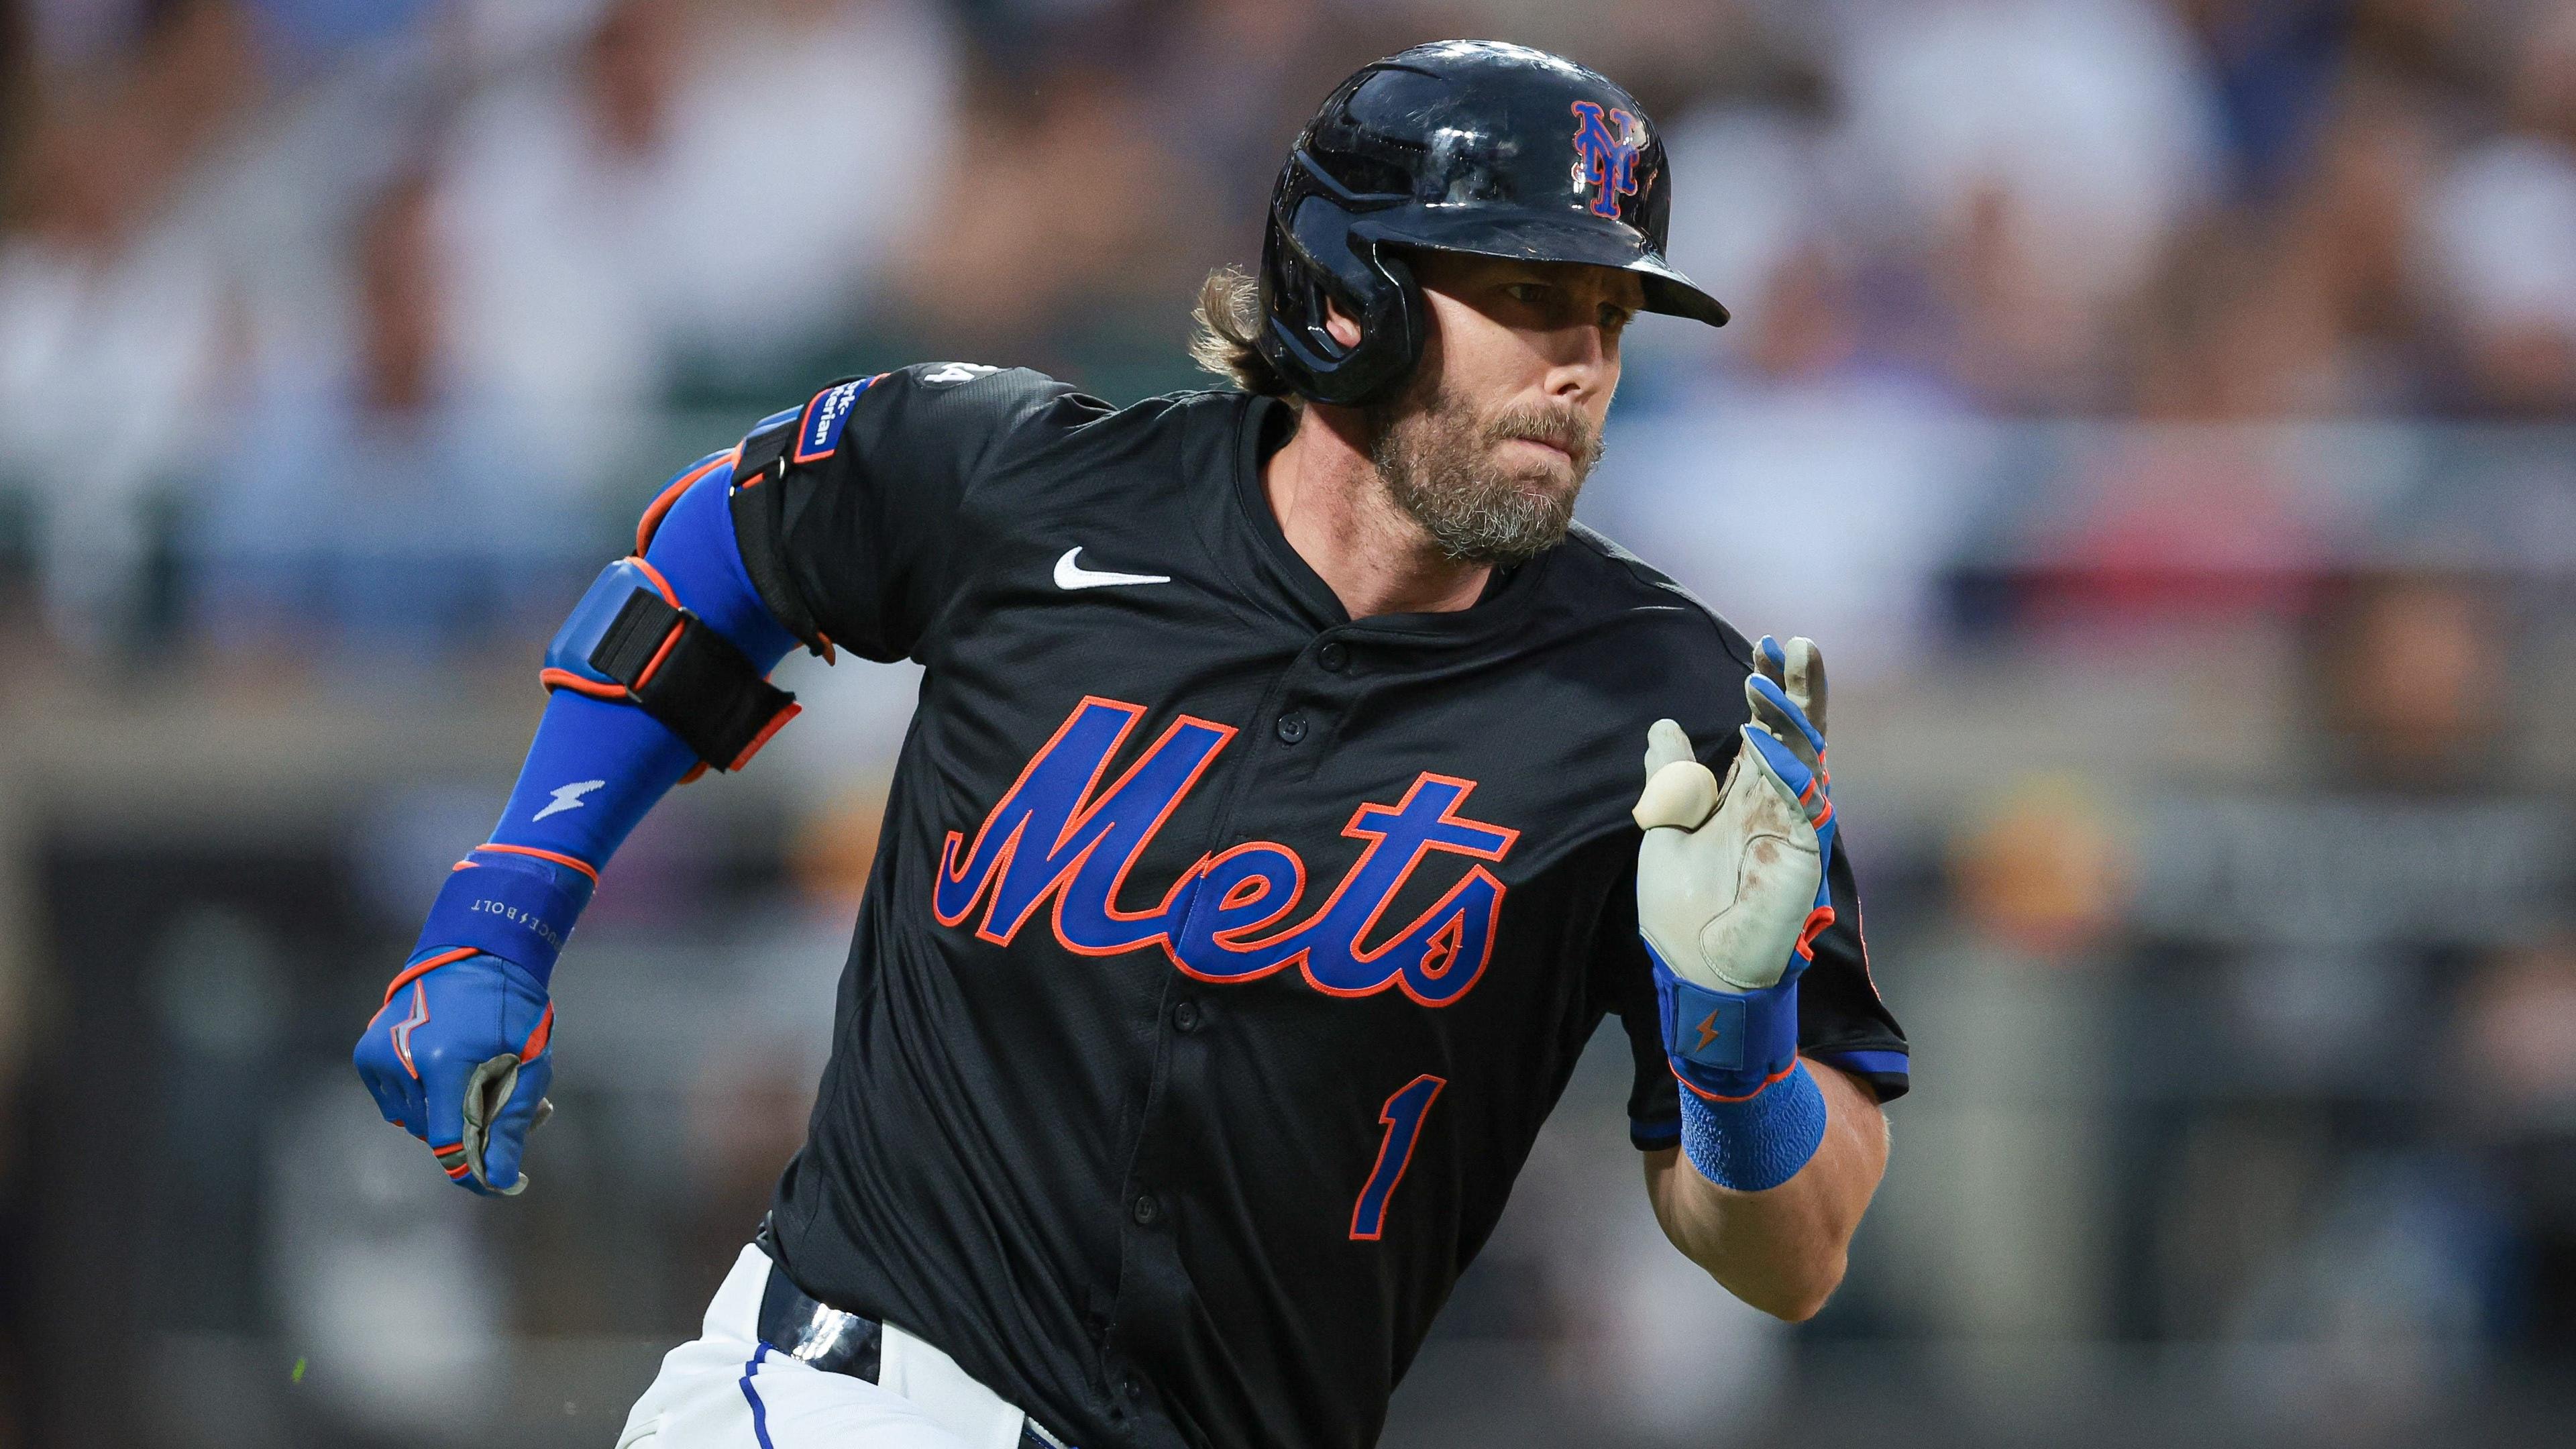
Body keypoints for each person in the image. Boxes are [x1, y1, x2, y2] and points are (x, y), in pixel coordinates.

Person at [354, 41, 1908, 1449]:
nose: (1580, 367)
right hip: (860, 1403)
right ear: (1346, 292)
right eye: (1522, 298)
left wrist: (1737, 1055)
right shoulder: (1030, 491)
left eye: (1607, 313)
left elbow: (1798, 1253)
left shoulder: (1674, 715)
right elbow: (719, 552)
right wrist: (504, 905)